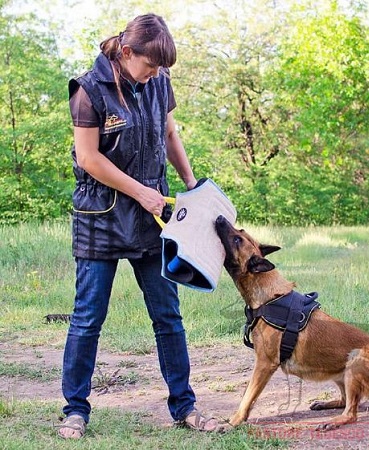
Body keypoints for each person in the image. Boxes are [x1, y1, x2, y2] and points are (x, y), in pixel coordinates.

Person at [57, 13, 219, 439]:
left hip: (153, 219)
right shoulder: (87, 89)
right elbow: (89, 158)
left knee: (168, 315)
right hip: (101, 218)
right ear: (127, 52)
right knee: (88, 318)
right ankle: (75, 410)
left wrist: (190, 184)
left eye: (161, 69)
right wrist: (138, 191)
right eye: (150, 65)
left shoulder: (158, 81)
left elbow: (169, 134)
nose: (155, 75)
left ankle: (185, 406)